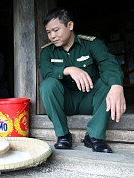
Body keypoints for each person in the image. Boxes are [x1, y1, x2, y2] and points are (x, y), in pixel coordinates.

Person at [39, 8, 126, 153]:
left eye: (56, 30)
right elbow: (47, 71)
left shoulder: (92, 44)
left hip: (91, 101)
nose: (52, 36)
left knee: (107, 83)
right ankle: (63, 136)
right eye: (48, 32)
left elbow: (108, 64)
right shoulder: (47, 52)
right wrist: (69, 70)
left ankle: (94, 137)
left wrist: (117, 85)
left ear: (70, 26)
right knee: (47, 85)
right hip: (66, 102)